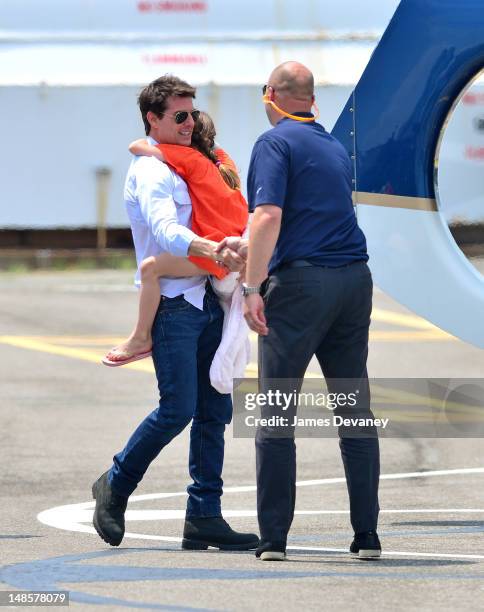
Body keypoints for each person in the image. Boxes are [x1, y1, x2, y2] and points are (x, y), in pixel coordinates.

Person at [219, 61, 381, 561]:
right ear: (311, 98)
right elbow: (305, 219)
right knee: (354, 410)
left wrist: (250, 287)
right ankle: (367, 536)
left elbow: (268, 215)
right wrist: (245, 244)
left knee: (276, 410)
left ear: (272, 93)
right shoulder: (332, 144)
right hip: (353, 279)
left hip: (302, 287)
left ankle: (274, 539)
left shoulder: (274, 142)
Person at [92, 75, 258, 551]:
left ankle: (204, 515)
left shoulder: (184, 161)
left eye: (192, 114)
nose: (189, 124)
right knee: (177, 408)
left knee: (215, 410)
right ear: (154, 118)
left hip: (208, 295)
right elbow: (165, 230)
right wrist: (208, 246)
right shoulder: (150, 173)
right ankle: (115, 485)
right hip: (173, 304)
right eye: (179, 117)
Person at [102, 111, 248, 366]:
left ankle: (140, 337)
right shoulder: (225, 162)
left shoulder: (190, 159)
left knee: (149, 268)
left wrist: (169, 138)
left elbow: (136, 146)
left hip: (216, 253)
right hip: (237, 244)